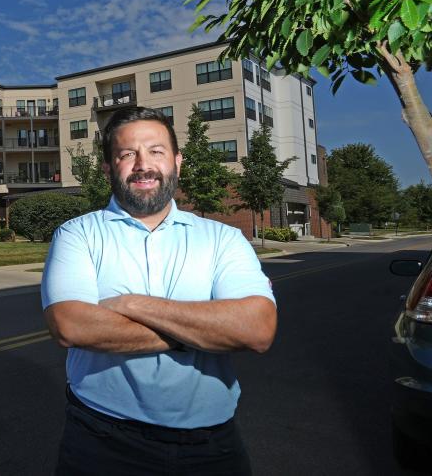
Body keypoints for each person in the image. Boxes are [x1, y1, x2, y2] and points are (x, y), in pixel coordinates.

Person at [41, 106, 277, 475]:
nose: (142, 164)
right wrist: (206, 329)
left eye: (156, 151)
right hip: (101, 440)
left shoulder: (224, 239)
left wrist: (130, 304)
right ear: (107, 169)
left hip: (211, 447)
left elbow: (257, 330)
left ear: (177, 162)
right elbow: (72, 326)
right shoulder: (78, 234)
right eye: (126, 154)